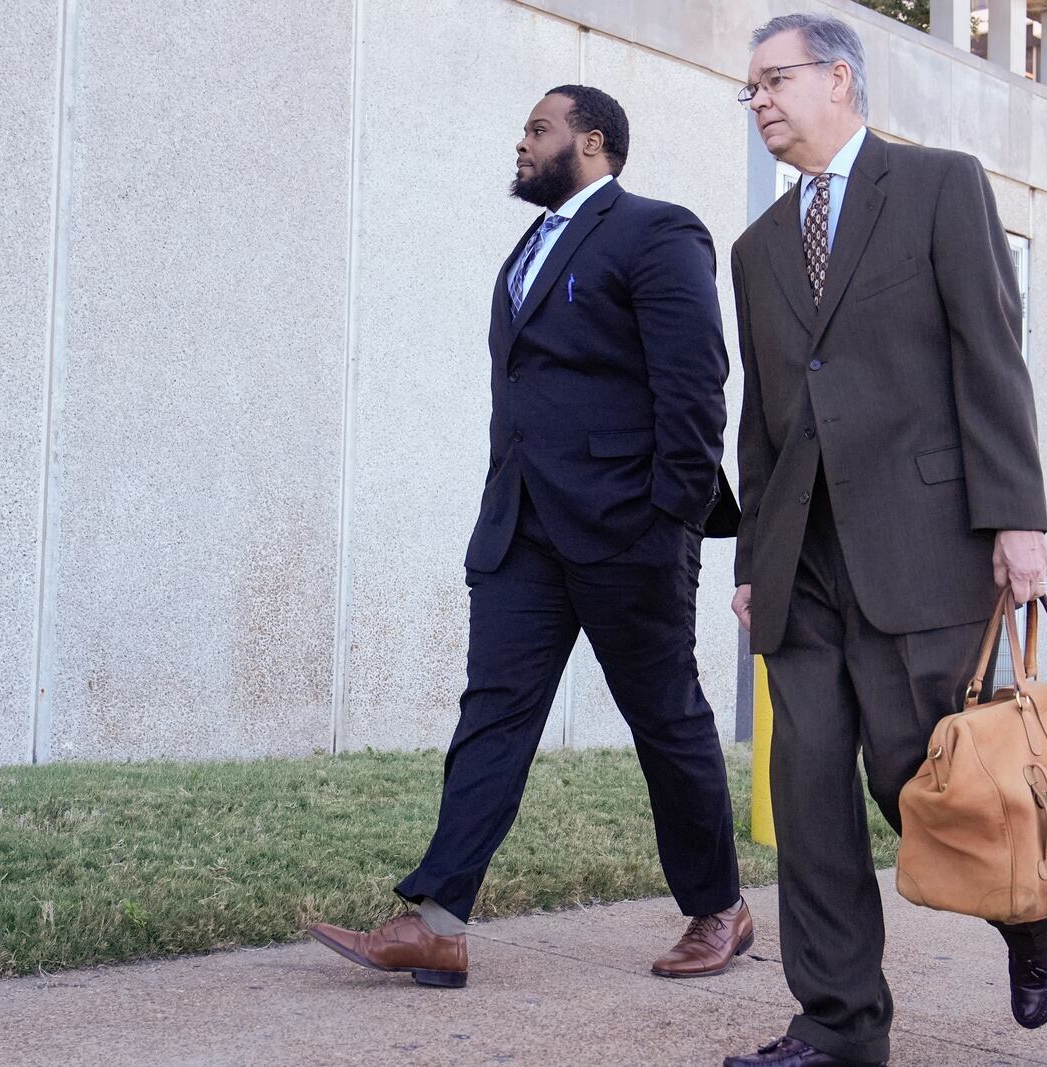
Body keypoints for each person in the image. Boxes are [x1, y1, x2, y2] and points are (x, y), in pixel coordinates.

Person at [311, 84, 750, 992]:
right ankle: (436, 920)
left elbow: (697, 383)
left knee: (665, 721)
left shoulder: (658, 231)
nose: (522, 142)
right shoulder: (532, 244)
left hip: (627, 529)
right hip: (522, 531)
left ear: (591, 141)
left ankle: (720, 908)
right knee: (493, 715)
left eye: (539, 129)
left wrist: (667, 517)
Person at [724, 15, 1047, 1067]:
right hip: (803, 564)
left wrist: (1018, 517)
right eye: (751, 90)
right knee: (809, 797)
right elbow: (763, 418)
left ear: (839, 78)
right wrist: (748, 560)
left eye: (776, 79)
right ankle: (837, 1024)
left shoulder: (938, 187)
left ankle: (1026, 909)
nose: (762, 101)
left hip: (923, 547)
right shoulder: (756, 248)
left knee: (923, 783)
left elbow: (989, 355)